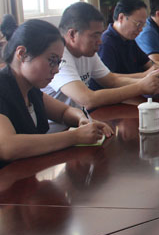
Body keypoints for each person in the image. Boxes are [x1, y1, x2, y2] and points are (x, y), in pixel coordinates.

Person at [0, 18, 113, 167]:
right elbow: (7, 147)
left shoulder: (30, 89)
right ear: (22, 54)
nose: (56, 70)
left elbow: (64, 112)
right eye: (52, 60)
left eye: (59, 62)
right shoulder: (3, 86)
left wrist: (82, 119)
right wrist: (75, 136)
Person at [42, 2, 159, 108]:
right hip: (64, 126)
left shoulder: (87, 52)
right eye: (95, 35)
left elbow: (112, 80)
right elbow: (87, 99)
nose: (100, 41)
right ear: (72, 34)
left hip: (81, 120)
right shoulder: (59, 57)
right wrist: (140, 87)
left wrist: (147, 81)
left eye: (100, 34)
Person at [96, 0, 159, 79]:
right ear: (121, 18)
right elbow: (109, 79)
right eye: (138, 24)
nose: (140, 30)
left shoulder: (129, 39)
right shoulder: (106, 43)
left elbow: (150, 64)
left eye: (143, 25)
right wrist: (144, 75)